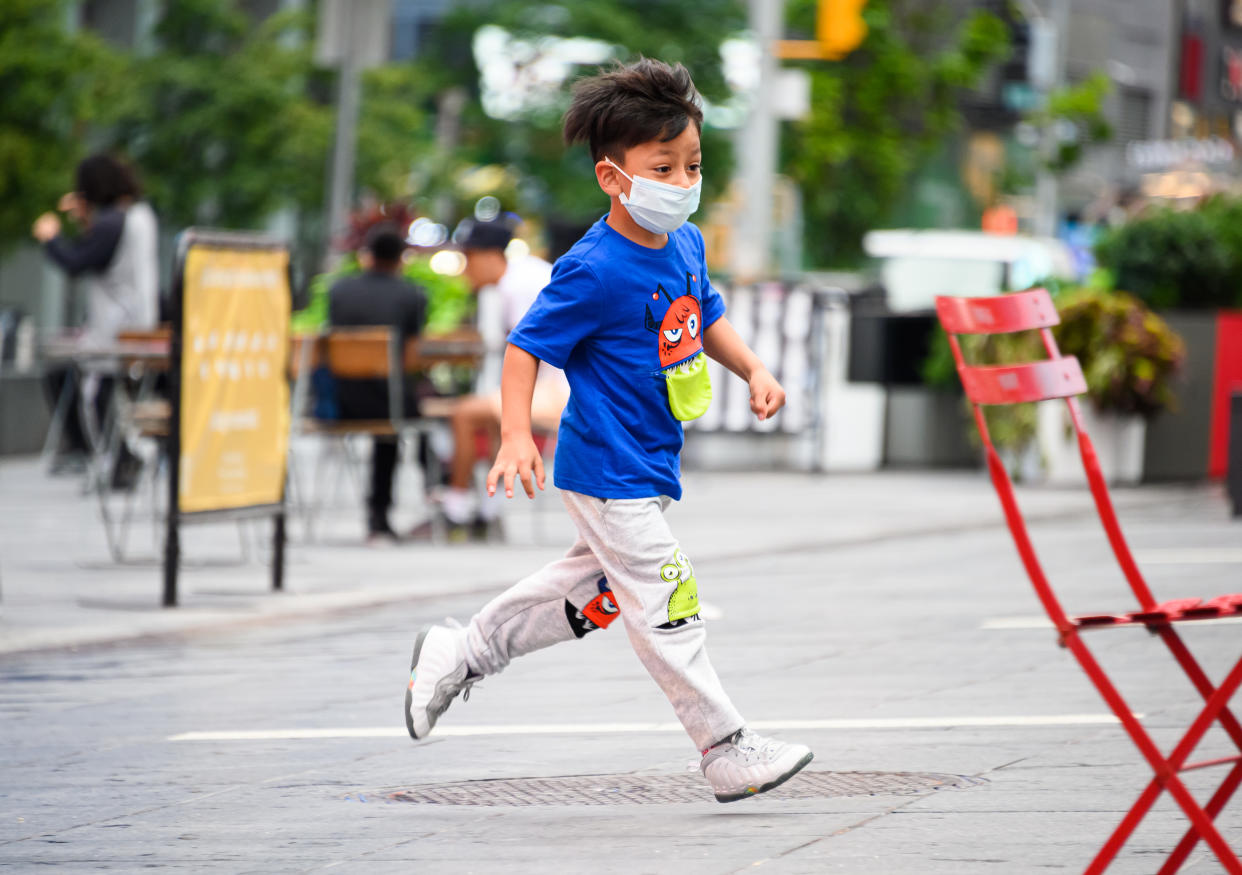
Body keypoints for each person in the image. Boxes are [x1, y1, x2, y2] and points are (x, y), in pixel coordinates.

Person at [403, 59, 813, 803]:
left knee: (592, 592)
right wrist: (517, 436)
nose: (684, 181)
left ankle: (462, 651)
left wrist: (753, 368)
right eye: (664, 167)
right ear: (612, 177)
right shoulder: (592, 266)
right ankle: (724, 745)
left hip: (650, 463)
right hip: (607, 465)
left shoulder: (684, 244)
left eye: (692, 164)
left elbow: (709, 315)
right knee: (666, 592)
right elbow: (527, 347)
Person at [415, 217, 568, 540]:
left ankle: (456, 508)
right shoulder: (521, 275)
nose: (464, 271)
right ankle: (488, 508)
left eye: (466, 260)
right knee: (491, 408)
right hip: (558, 384)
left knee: (465, 413)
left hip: (562, 389)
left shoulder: (521, 285)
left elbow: (535, 352)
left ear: (487, 256)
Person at [34, 153, 159, 483]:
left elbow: (78, 261)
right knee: (95, 387)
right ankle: (121, 457)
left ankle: (113, 459)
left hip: (114, 329)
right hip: (138, 324)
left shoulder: (114, 220)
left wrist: (50, 237)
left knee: (91, 389)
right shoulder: (139, 216)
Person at [327, 223, 428, 543]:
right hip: (388, 401)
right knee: (410, 416)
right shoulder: (411, 294)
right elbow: (412, 358)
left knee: (397, 411)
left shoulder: (338, 290)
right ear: (401, 259)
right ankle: (437, 495)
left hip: (339, 402)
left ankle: (379, 516)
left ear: (367, 256)